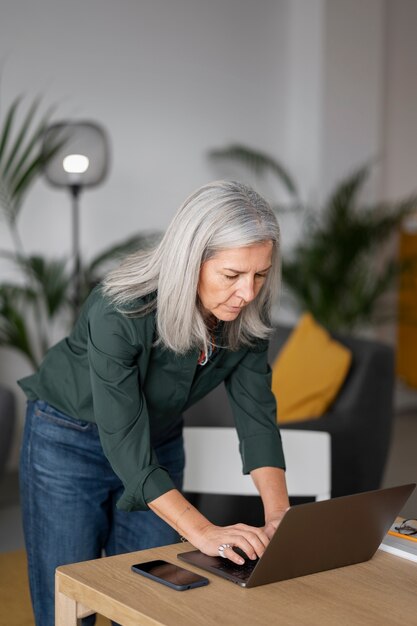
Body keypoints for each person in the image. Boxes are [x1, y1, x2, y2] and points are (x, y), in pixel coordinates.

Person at [18, 180, 289, 626]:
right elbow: (125, 442)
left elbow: (257, 418)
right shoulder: (121, 308)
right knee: (67, 604)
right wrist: (203, 531)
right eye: (232, 275)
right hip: (68, 441)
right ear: (190, 261)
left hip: (158, 441)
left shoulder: (244, 317)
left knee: (150, 601)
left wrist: (280, 519)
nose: (248, 293)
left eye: (260, 275)